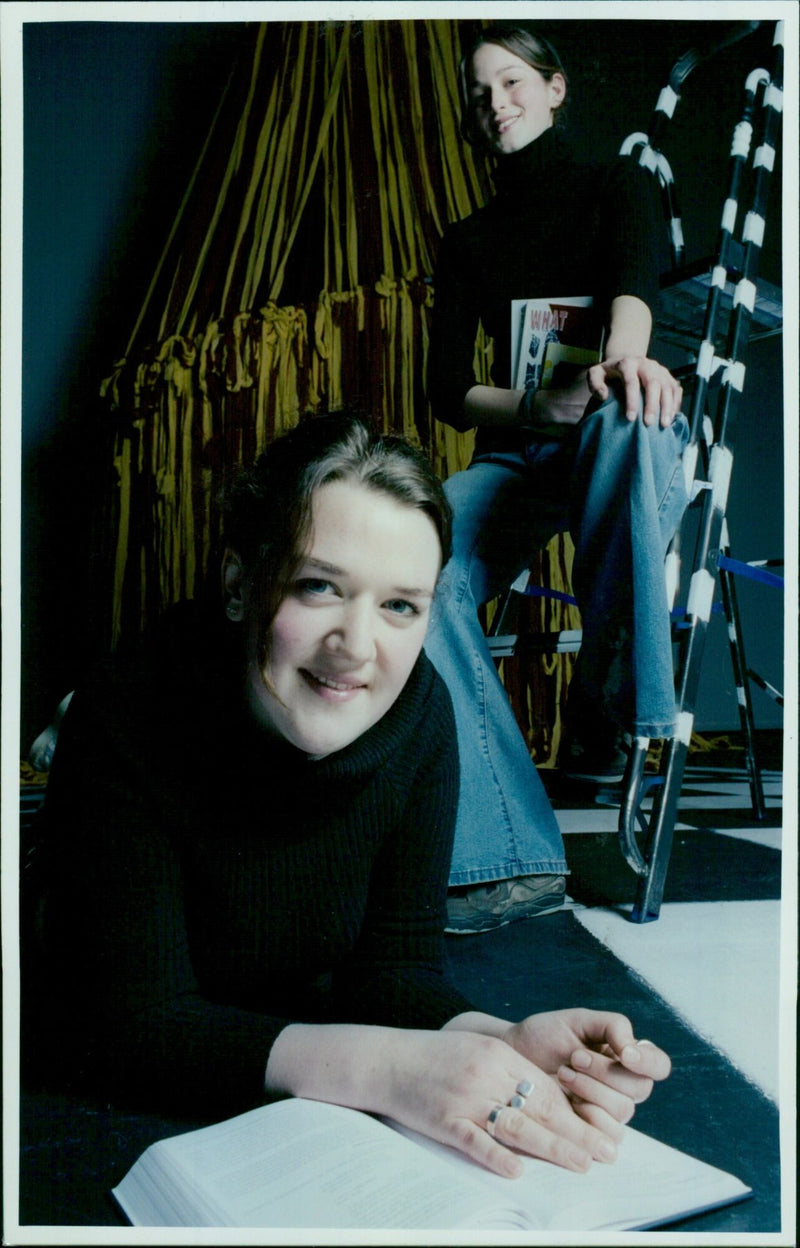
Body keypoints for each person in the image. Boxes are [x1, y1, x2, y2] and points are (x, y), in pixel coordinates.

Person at [26, 413, 670, 1183]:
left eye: (401, 606)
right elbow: (128, 1026)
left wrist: (496, 1040)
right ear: (240, 585)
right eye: (320, 586)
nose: (357, 648)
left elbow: (391, 971)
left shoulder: (422, 714)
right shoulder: (128, 709)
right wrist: (391, 1071)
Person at [424, 25, 689, 933]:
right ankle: (510, 854)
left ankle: (617, 702)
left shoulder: (620, 183)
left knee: (633, 416)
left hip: (621, 435)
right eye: (479, 91)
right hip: (521, 455)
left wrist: (621, 368)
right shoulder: (465, 241)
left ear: (556, 87)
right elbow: (446, 389)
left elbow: (631, 293)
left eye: (511, 81)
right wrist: (544, 408)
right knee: (420, 575)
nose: (495, 101)